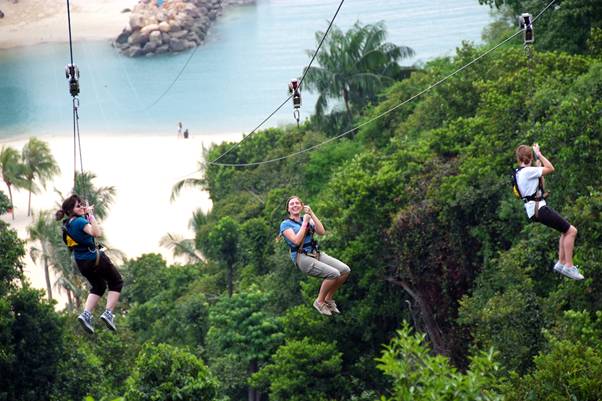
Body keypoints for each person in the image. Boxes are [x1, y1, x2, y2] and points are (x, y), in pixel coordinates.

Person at [56, 194, 124, 333]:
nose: (81, 207)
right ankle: (108, 313)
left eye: (81, 204)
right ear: (70, 210)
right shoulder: (80, 222)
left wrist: (85, 213)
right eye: (77, 206)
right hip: (95, 259)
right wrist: (91, 215)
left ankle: (86, 314)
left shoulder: (68, 224)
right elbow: (96, 232)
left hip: (82, 263)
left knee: (99, 286)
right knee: (116, 282)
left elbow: (81, 232)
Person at [514, 143, 583, 280]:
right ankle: (569, 266)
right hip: (539, 208)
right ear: (530, 157)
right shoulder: (528, 171)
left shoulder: (519, 173)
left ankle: (561, 263)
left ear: (518, 159)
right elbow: (551, 168)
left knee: (565, 231)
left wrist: (539, 169)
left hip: (535, 210)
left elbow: (540, 187)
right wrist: (539, 154)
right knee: (571, 231)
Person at [279, 196, 351, 316]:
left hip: (315, 253)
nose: (295, 205)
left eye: (297, 203)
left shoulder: (306, 218)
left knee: (345, 270)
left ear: (302, 206)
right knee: (334, 274)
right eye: (292, 204)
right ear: (288, 209)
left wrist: (311, 214)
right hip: (301, 257)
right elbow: (296, 241)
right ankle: (319, 301)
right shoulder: (285, 224)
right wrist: (306, 223)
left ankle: (328, 298)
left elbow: (321, 232)